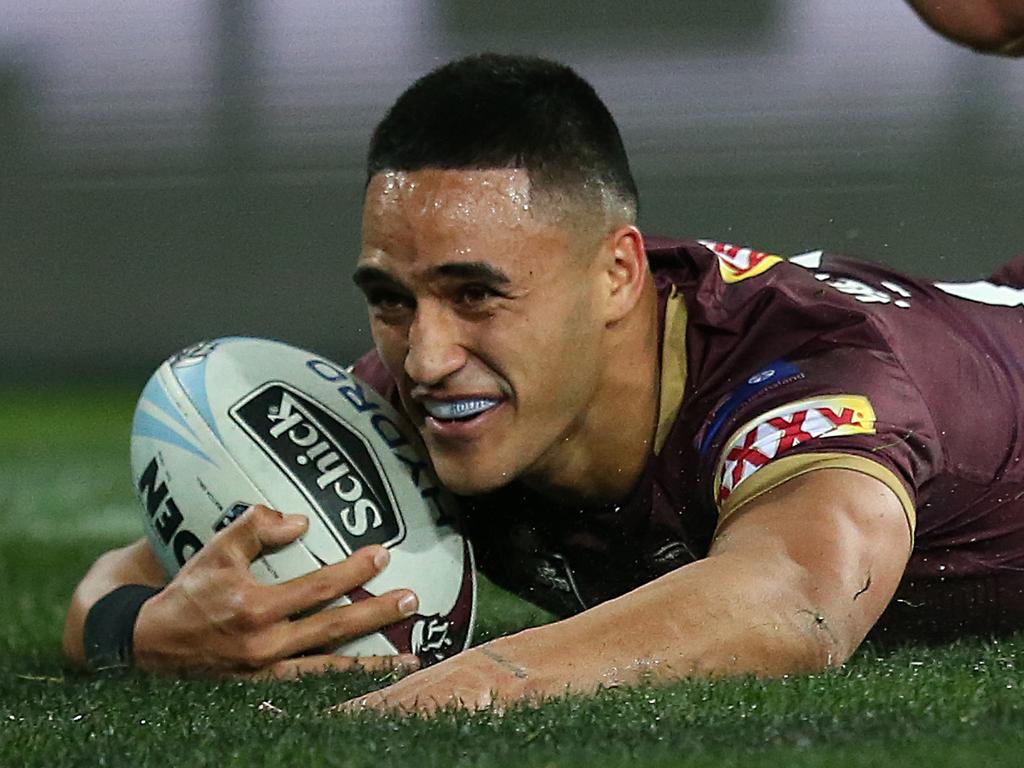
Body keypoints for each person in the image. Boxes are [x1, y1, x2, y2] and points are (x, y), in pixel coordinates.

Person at [64, 18, 1024, 714]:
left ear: (617, 275)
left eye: (476, 294)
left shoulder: (811, 379)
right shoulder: (421, 400)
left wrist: (459, 688)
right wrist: (142, 632)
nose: (428, 358)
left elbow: (795, 603)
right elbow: (123, 580)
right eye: (393, 299)